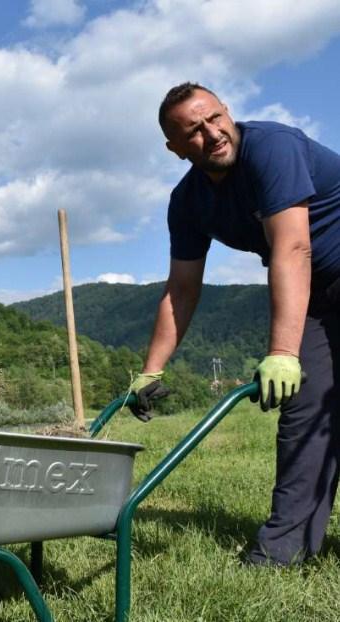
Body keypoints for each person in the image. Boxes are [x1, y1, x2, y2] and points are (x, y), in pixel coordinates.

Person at [129, 82, 340, 566]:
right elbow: (181, 289)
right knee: (303, 414)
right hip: (314, 295)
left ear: (227, 111)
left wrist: (282, 352)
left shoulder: (273, 147)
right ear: (175, 149)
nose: (212, 134)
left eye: (214, 118)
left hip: (318, 268)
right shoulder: (187, 203)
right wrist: (152, 369)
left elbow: (292, 247)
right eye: (193, 131)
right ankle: (283, 549)